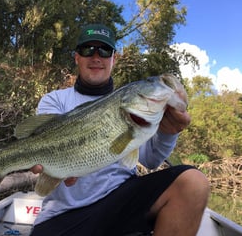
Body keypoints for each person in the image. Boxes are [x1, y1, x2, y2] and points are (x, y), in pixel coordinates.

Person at [29, 24, 210, 236]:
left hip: (122, 203)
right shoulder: (55, 100)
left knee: (193, 182)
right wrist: (56, 169)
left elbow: (150, 160)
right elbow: (44, 149)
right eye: (88, 50)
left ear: (114, 58)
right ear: (77, 57)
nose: (96, 57)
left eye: (104, 51)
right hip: (64, 213)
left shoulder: (132, 102)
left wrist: (168, 133)